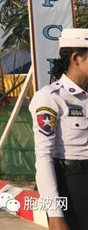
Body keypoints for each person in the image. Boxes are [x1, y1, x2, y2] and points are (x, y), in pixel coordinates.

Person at [29, 28, 88, 230]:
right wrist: (54, 214)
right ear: (76, 58)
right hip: (71, 185)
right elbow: (43, 158)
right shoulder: (50, 98)